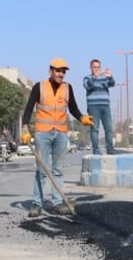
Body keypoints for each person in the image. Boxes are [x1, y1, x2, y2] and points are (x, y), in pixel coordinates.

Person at [21, 57, 94, 218]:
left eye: (63, 71)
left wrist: (82, 118)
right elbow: (28, 108)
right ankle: (37, 203)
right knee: (41, 170)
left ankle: (57, 203)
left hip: (61, 133)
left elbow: (73, 107)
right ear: (50, 71)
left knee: (58, 170)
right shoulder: (39, 87)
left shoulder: (68, 88)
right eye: (58, 71)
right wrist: (25, 128)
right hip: (43, 133)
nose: (61, 74)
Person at [82, 59, 116, 155]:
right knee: (95, 128)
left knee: (108, 128)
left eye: (98, 67)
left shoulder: (104, 78)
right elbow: (87, 86)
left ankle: (110, 148)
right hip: (93, 106)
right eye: (94, 67)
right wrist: (94, 78)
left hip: (105, 105)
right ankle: (96, 149)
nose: (97, 69)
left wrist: (110, 77)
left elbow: (112, 84)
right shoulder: (87, 78)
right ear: (91, 68)